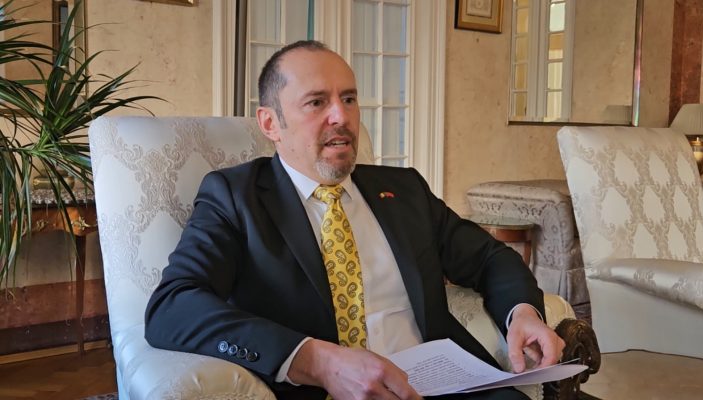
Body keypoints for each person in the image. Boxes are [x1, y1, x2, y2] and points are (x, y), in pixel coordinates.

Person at [145, 40, 565, 400]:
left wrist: (522, 314)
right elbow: (173, 306)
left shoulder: (403, 190)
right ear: (270, 123)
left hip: (444, 387)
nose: (341, 117)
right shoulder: (235, 197)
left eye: (348, 99)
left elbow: (489, 257)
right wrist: (317, 361)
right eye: (316, 102)